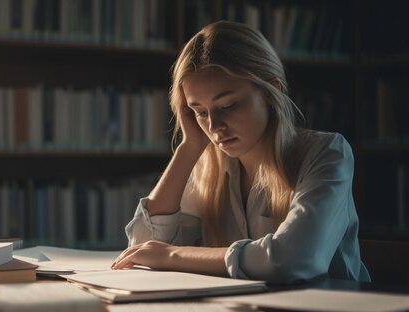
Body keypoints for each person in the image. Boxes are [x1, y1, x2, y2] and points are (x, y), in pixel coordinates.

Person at [111, 21, 370, 284]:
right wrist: (189, 147)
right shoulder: (207, 166)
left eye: (228, 105)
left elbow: (293, 259)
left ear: (272, 92)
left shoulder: (326, 153)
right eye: (199, 112)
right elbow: (141, 247)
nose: (213, 126)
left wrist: (172, 256)